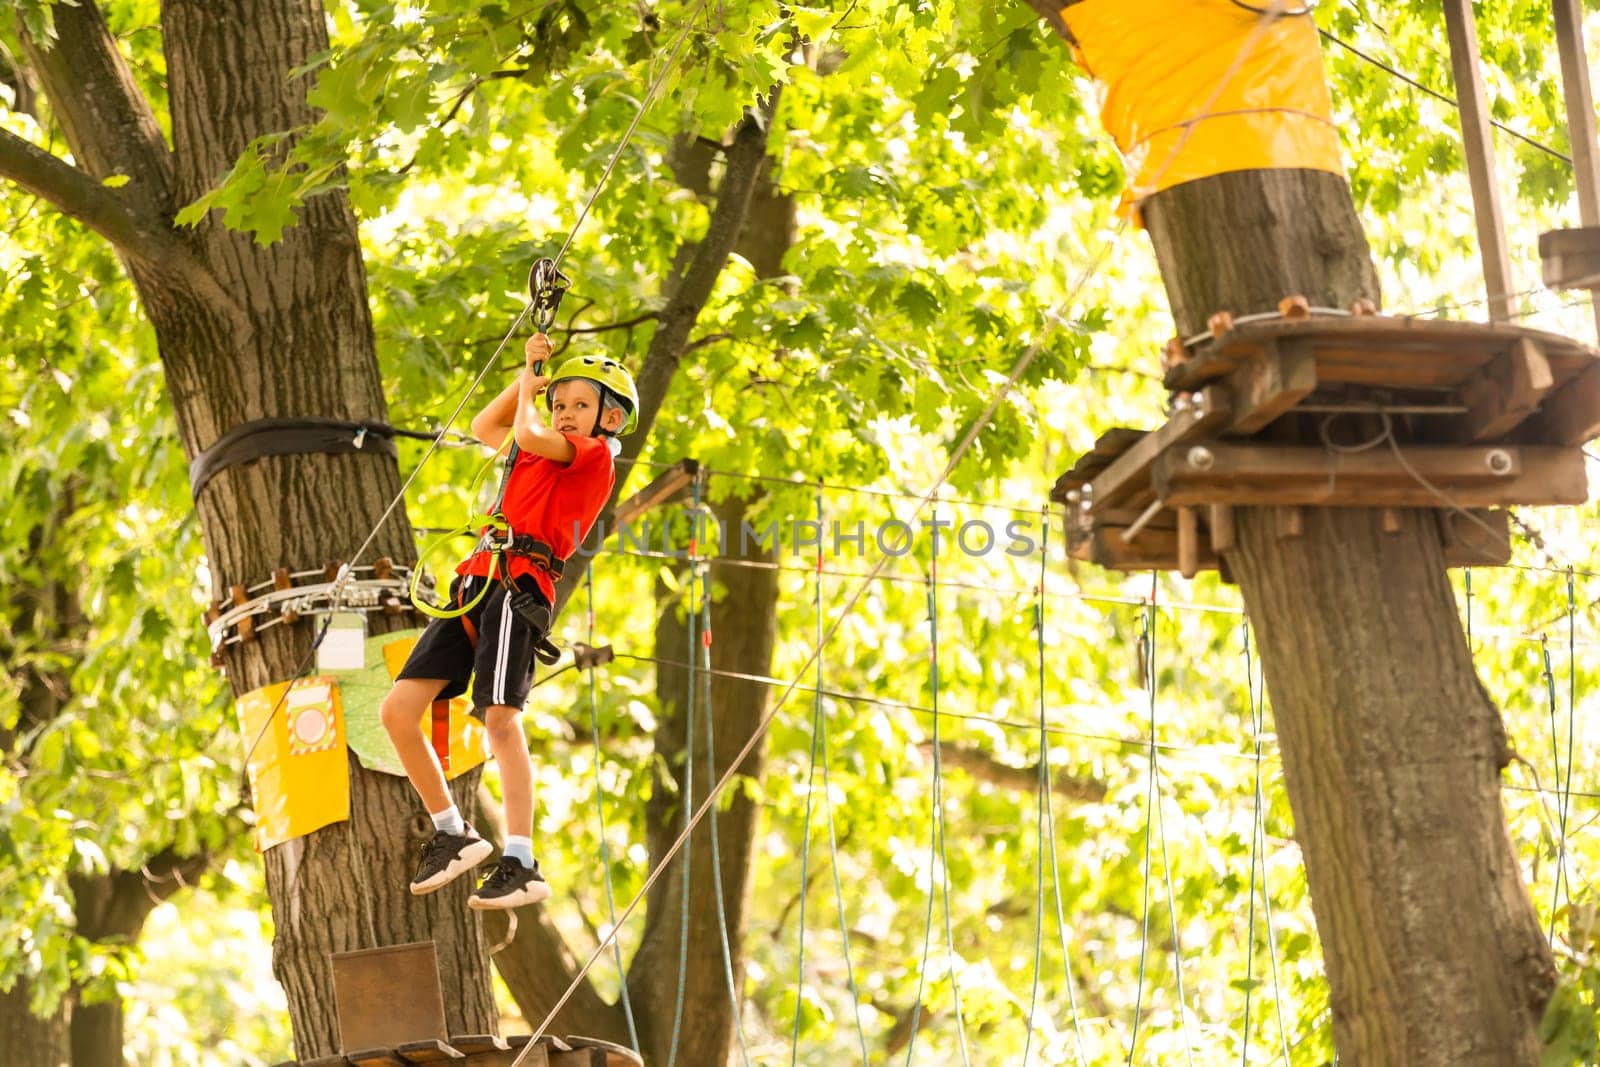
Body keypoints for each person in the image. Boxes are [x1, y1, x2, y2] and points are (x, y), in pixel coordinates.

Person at [379, 332, 638, 908]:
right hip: (477, 579)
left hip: (521, 584)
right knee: (397, 711)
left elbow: (521, 431)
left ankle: (521, 859)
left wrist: (533, 382)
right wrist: (528, 380)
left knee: (499, 719)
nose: (566, 414)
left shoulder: (592, 457)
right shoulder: (535, 450)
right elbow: (485, 428)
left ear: (610, 419)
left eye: (581, 407)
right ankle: (453, 832)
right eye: (560, 405)